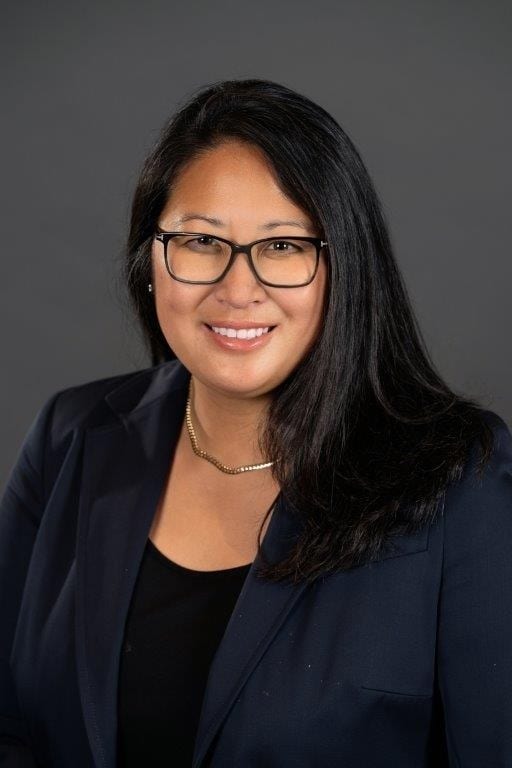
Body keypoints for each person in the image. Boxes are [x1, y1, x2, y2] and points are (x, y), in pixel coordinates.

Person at [1, 78, 511, 768]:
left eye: (282, 247)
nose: (238, 290)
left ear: (344, 265)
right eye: (201, 241)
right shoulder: (72, 437)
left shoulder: (459, 481)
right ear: (150, 261)